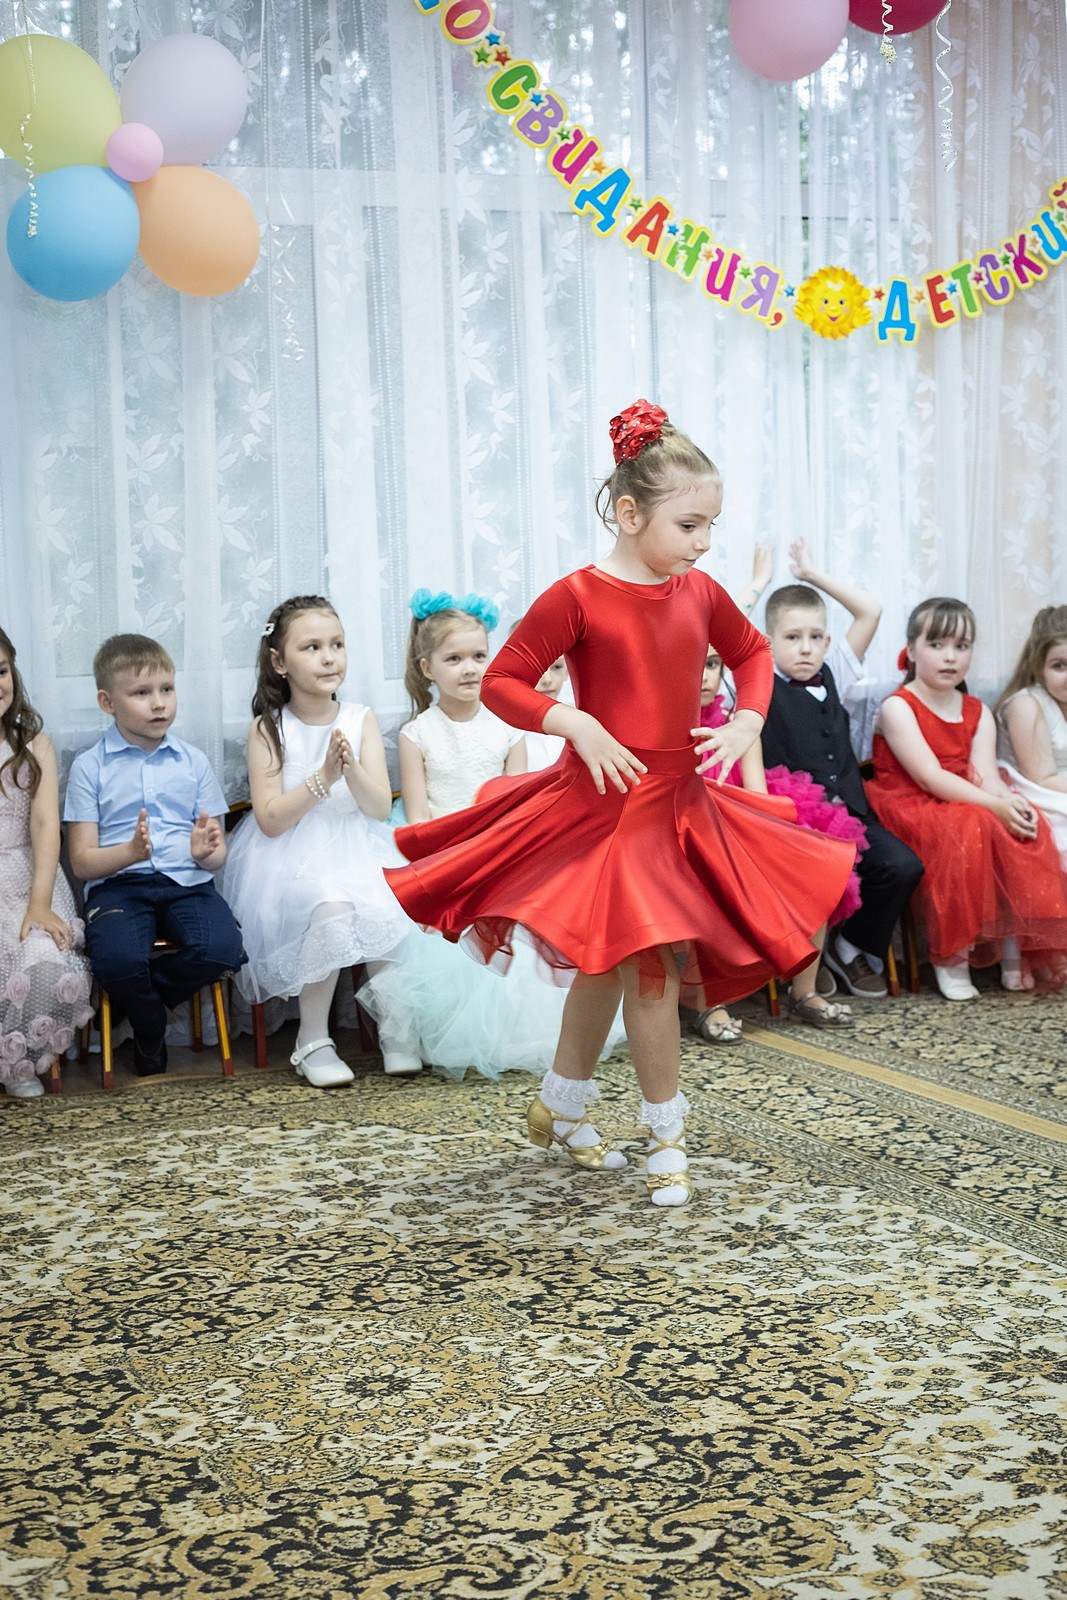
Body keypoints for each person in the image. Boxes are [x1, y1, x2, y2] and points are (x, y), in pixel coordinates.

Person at [377, 400, 856, 1206]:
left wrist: (743, 719)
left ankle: (560, 1107)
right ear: (630, 514)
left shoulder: (698, 591)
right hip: (601, 807)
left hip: (677, 803)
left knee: (607, 962)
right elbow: (502, 683)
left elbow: (751, 655)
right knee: (646, 963)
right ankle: (665, 1131)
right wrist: (573, 722)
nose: (704, 543)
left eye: (711, 526)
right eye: (691, 525)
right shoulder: (578, 596)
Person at [357, 591, 625, 1079]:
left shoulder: (508, 728)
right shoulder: (417, 733)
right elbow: (418, 818)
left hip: (498, 847)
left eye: (479, 656)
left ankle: (530, 1035)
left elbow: (516, 805)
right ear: (426, 667)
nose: (469, 668)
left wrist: (497, 858)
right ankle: (405, 1037)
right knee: (413, 932)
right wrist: (452, 862)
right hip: (443, 849)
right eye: (453, 658)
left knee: (528, 914)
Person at [220, 596, 414, 1087]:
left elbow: (374, 808)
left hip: (358, 841)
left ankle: (397, 1029)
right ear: (280, 662)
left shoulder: (360, 717)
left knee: (388, 900)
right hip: (291, 855)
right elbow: (269, 820)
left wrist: (349, 771)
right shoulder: (268, 729)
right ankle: (312, 1038)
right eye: (312, 647)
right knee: (330, 906)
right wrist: (323, 776)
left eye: (337, 644)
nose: (329, 657)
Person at [867, 597, 1067, 998]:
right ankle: (951, 955)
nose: (950, 657)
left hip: (965, 796)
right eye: (937, 644)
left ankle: (1014, 949)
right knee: (969, 825)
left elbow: (985, 775)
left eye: (962, 646)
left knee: (1025, 822)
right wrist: (992, 804)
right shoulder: (897, 707)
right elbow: (930, 778)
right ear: (911, 650)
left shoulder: (977, 710)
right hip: (909, 802)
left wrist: (1007, 803)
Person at [65, 634, 245, 1077]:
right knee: (117, 962)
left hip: (189, 884)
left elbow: (215, 855)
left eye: (166, 689)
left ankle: (146, 1012)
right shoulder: (91, 767)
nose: (159, 703)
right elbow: (83, 862)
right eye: (141, 693)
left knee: (223, 949)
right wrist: (129, 852)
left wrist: (207, 853)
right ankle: (149, 1026)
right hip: (119, 887)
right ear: (108, 702)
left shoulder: (194, 761)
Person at [759, 541, 924, 1001]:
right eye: (792, 638)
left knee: (902, 866)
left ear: (828, 642)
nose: (806, 648)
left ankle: (851, 945)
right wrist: (756, 588)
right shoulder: (755, 683)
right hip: (797, 823)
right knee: (819, 879)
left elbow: (870, 611)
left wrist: (811, 574)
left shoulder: (836, 672)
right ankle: (810, 957)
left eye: (815, 637)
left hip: (853, 814)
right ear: (769, 643)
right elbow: (716, 643)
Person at [689, 642, 866, 1042]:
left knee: (818, 871)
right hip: (687, 834)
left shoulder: (740, 725)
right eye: (694, 665)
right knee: (705, 880)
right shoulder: (667, 728)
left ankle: (803, 992)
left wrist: (769, 848)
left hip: (741, 826)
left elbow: (758, 798)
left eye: (713, 664)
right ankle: (706, 1001)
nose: (703, 676)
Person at [0, 625, 93, 1098]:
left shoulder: (35, 745)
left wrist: (39, 903)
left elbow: (42, 828)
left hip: (26, 878)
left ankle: (16, 1062)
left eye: (0, 671)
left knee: (40, 956)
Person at [995, 605, 1067, 869]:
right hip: (1039, 794)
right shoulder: (1026, 705)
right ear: (1038, 666)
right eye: (1060, 666)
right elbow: (1041, 777)